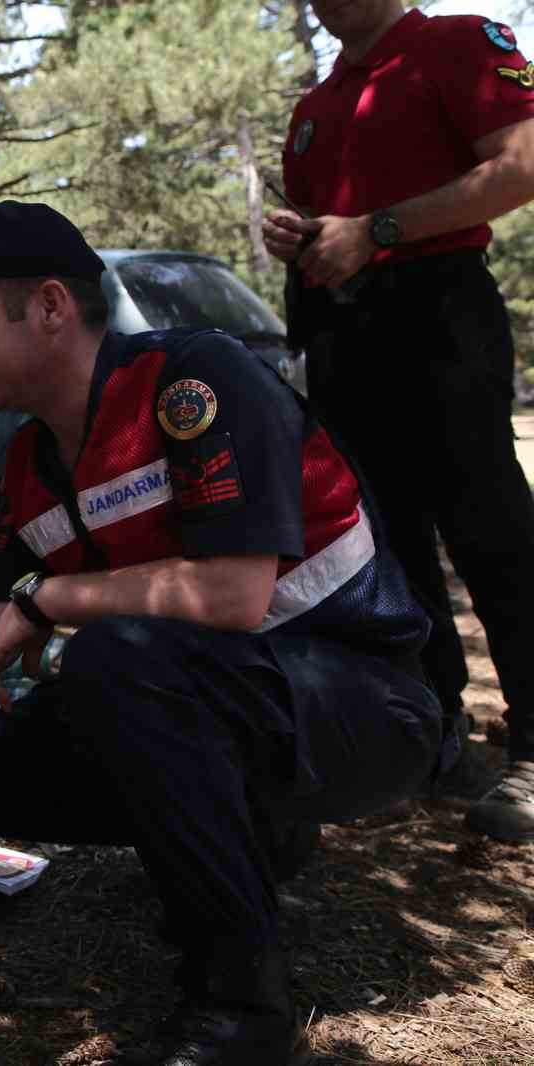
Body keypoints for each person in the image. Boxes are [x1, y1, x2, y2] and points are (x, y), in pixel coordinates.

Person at [0, 201, 444, 1066]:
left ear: (53, 307)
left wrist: (59, 595)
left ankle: (242, 1010)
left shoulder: (195, 381)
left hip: (369, 702)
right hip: (247, 701)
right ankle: (255, 830)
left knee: (120, 658)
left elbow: (232, 594)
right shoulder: (29, 464)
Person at [264, 0, 534, 841]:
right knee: (385, 545)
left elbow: (522, 165)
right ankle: (434, 734)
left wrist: (378, 230)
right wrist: (301, 239)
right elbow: (334, 231)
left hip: (441, 314)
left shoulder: (456, 43)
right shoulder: (315, 108)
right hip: (345, 336)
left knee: (491, 530)